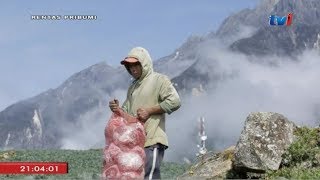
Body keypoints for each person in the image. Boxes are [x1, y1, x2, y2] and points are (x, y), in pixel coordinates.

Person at [109, 47, 181, 179]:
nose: (133, 68)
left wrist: (150, 110)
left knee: (150, 176)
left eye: (136, 64)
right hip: (136, 144)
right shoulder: (133, 87)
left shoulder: (159, 80)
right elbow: (128, 113)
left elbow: (175, 101)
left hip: (152, 140)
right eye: (129, 66)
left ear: (145, 64)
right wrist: (117, 109)